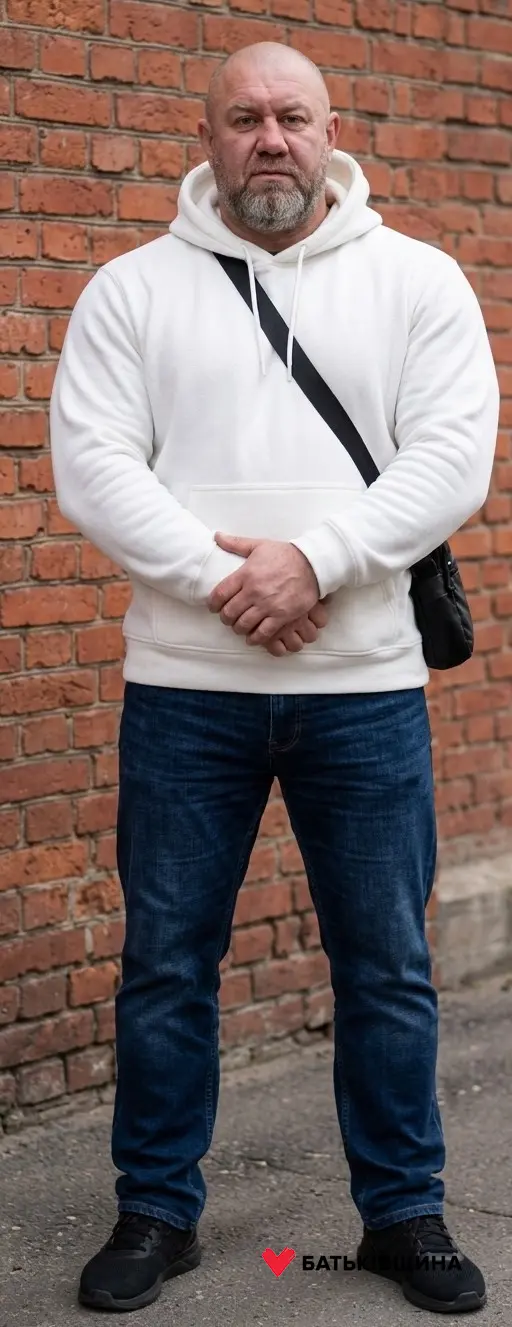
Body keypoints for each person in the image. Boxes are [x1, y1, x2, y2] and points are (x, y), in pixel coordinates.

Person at [50, 40, 499, 1317]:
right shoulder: (131, 291)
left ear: (328, 130)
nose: (268, 139)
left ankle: (403, 1212)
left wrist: (313, 561)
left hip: (364, 691)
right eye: (243, 117)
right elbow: (94, 464)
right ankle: (156, 1208)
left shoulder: (416, 280)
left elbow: (449, 457)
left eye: (290, 116)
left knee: (385, 968)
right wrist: (227, 581)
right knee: (166, 965)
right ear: (205, 136)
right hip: (184, 692)